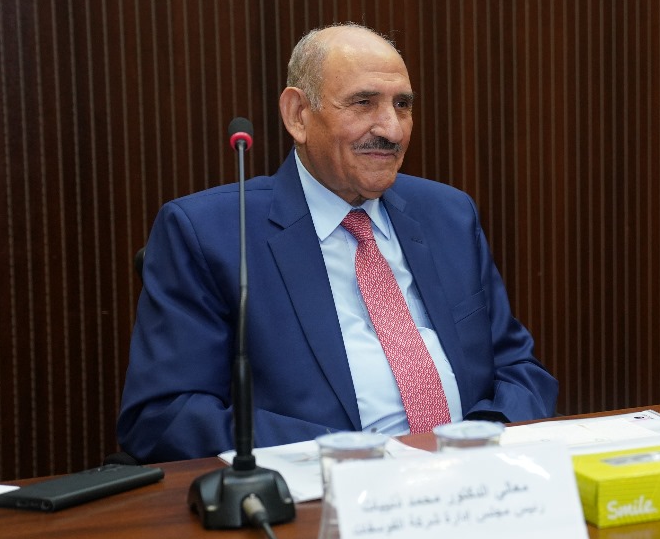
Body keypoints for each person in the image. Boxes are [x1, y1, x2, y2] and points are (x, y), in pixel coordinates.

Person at [118, 23, 557, 461]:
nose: (392, 130)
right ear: (298, 115)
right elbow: (165, 416)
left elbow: (518, 369)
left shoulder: (448, 214)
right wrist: (351, 455)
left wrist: (478, 444)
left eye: (402, 105)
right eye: (363, 103)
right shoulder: (209, 232)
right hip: (323, 487)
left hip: (473, 477)